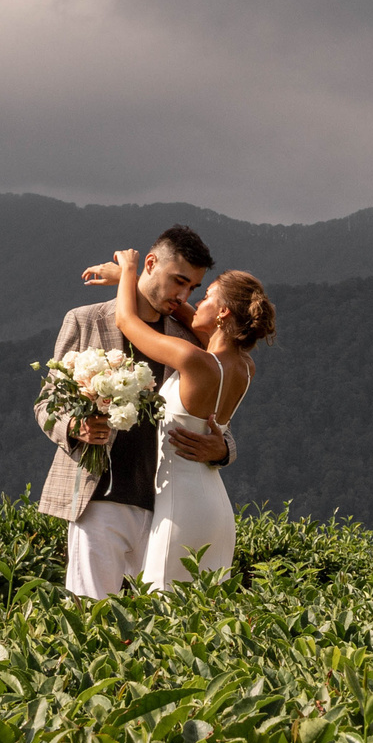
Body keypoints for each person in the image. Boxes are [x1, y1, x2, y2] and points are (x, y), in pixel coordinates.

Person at [34, 223, 234, 596]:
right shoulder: (84, 320)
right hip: (97, 498)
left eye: (193, 288)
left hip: (168, 507)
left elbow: (212, 416)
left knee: (164, 620)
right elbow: (47, 403)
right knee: (91, 614)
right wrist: (75, 426)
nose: (183, 295)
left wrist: (223, 449)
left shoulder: (187, 340)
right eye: (179, 281)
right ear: (151, 263)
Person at [87, 247, 276, 589]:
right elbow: (195, 321)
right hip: (215, 506)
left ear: (223, 312)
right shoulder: (244, 367)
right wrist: (140, 283)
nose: (193, 302)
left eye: (206, 296)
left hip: (180, 505)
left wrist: (129, 269)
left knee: (162, 603)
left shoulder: (192, 358)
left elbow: (126, 321)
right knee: (202, 607)